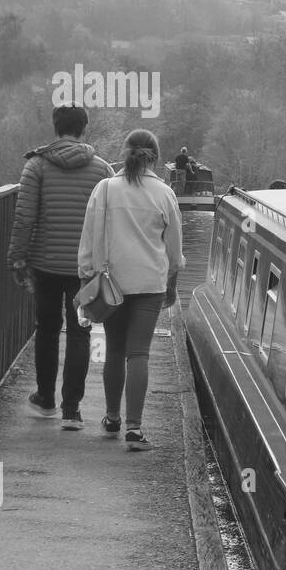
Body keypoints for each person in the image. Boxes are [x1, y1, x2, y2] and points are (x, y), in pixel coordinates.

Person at [7, 104, 114, 429]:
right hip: (85, 268)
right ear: (84, 129)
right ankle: (72, 411)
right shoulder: (102, 170)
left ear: (56, 128)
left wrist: (17, 257)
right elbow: (110, 220)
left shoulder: (37, 166)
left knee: (48, 329)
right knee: (80, 333)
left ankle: (45, 399)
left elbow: (25, 216)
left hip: (45, 263)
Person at [79, 130, 184, 452]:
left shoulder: (105, 189)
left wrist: (86, 276)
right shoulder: (165, 193)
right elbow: (175, 250)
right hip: (150, 283)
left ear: (124, 153)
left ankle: (111, 418)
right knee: (138, 353)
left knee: (113, 349)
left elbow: (89, 237)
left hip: (112, 283)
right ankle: (135, 429)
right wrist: (172, 286)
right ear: (155, 155)